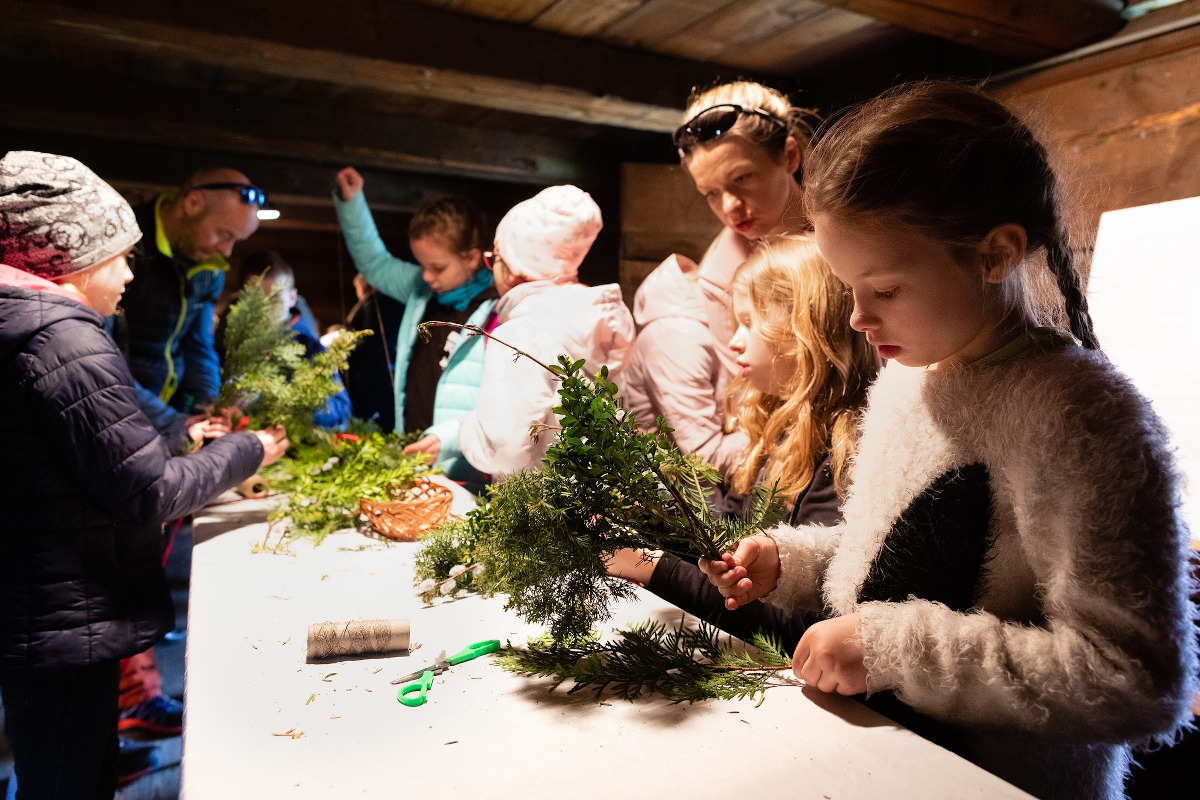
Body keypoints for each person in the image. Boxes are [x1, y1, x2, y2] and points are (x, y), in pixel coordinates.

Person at [700, 82, 1199, 800]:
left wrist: (892, 649)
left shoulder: (1081, 418)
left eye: (886, 289)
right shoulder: (912, 378)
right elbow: (886, 557)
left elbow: (1134, 681)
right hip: (890, 760)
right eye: (849, 292)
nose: (860, 320)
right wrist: (789, 560)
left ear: (995, 253)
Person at [0, 151, 289, 799]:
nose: (131, 273)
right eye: (119, 255)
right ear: (67, 256)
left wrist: (184, 425)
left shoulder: (25, 327)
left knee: (61, 764)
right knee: (68, 776)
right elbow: (150, 489)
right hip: (63, 614)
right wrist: (246, 450)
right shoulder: (66, 339)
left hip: (38, 603)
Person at [607, 235, 878, 650]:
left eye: (750, 323)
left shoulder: (847, 452)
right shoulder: (781, 430)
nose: (734, 342)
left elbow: (801, 626)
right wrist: (651, 521)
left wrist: (650, 568)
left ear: (806, 332)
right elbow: (730, 535)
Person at [621, 81, 813, 480]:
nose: (729, 207)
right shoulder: (721, 280)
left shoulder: (853, 235)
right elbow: (752, 400)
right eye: (710, 193)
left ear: (790, 155)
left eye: (742, 178)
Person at [457, 185, 635, 479]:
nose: (492, 269)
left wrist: (466, 428)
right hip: (602, 506)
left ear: (516, 269)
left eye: (495, 258)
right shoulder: (589, 320)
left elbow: (504, 452)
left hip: (542, 513)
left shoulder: (523, 331)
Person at [333, 168, 495, 487]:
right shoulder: (421, 292)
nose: (425, 276)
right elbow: (374, 262)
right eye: (422, 265)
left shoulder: (497, 308)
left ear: (473, 258)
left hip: (464, 474)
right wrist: (352, 203)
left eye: (437, 267)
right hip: (415, 460)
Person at [118, 166, 264, 413]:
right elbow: (105, 360)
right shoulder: (126, 245)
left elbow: (199, 346)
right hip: (119, 412)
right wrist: (170, 423)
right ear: (193, 203)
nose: (226, 251)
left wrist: (206, 408)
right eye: (223, 234)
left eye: (235, 241)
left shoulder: (209, 270)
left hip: (169, 414)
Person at [220, 249, 353, 430]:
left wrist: (295, 403)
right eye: (258, 301)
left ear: (292, 298)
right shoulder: (224, 345)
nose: (266, 311)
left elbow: (341, 411)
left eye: (275, 301)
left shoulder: (310, 351)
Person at [342, 272, 405, 431]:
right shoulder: (394, 305)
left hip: (369, 378)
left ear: (363, 287)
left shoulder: (371, 305)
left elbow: (369, 341)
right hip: (389, 373)